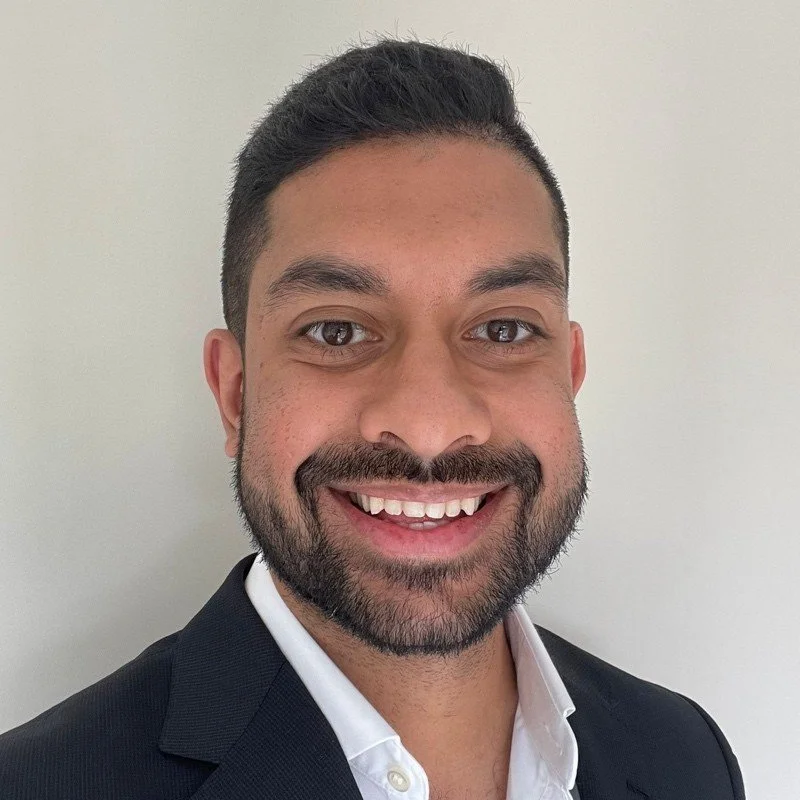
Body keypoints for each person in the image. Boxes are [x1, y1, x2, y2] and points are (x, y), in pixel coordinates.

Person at [0, 38, 744, 800]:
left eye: (503, 330)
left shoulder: (685, 755)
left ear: (571, 374)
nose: (428, 427)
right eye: (337, 332)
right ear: (235, 393)